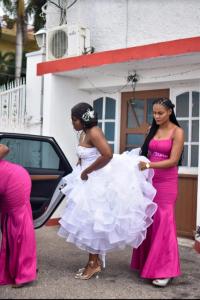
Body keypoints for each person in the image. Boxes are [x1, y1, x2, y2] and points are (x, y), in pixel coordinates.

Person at [58, 102, 157, 280]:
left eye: (74, 120)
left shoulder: (94, 131)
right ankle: (93, 262)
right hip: (85, 180)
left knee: (94, 223)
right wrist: (80, 166)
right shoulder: (84, 132)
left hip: (95, 181)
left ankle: (94, 264)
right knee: (88, 223)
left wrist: (87, 171)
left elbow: (107, 154)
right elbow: (84, 154)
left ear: (82, 119)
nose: (72, 123)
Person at [130, 97, 184, 287]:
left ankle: (165, 270)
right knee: (150, 220)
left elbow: (173, 160)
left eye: (160, 113)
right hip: (150, 179)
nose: (156, 116)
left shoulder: (177, 132)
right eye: (154, 113)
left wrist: (149, 164)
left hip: (167, 182)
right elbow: (146, 153)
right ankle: (148, 263)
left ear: (170, 111)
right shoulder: (153, 130)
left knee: (164, 221)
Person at [0, 144, 37, 288]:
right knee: (7, 225)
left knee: (18, 227)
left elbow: (4, 148)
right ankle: (11, 269)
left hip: (13, 178)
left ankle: (25, 274)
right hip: (4, 181)